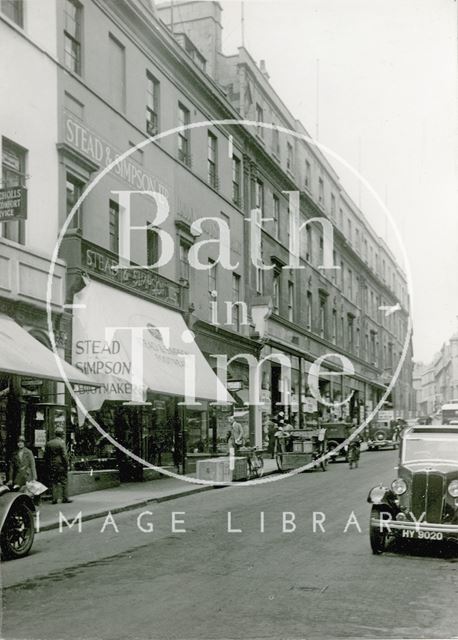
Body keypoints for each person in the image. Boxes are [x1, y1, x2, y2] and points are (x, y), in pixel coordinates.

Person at [44, 426, 72, 504]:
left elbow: (46, 456)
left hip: (52, 465)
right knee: (64, 481)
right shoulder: (62, 443)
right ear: (62, 435)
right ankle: (65, 498)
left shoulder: (49, 443)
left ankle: (54, 499)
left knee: (54, 482)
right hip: (61, 465)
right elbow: (64, 456)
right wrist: (67, 465)